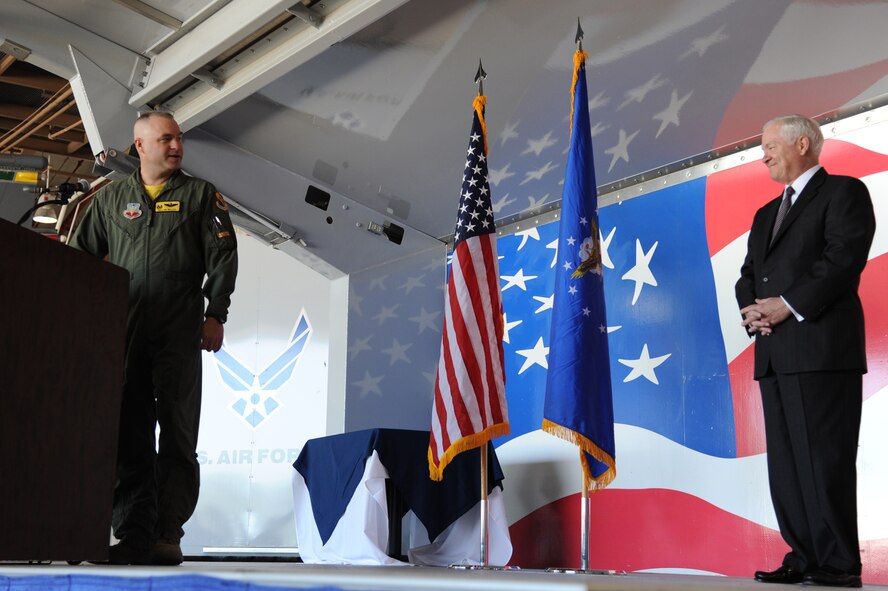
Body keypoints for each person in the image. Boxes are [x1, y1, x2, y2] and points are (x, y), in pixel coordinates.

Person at [70, 111, 238, 565]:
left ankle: (167, 534)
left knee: (178, 435)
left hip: (179, 332)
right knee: (130, 435)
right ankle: (133, 534)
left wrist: (215, 313)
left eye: (178, 139)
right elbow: (78, 262)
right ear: (140, 146)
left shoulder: (201, 196)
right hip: (125, 334)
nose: (176, 146)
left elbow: (223, 257)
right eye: (166, 139)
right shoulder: (110, 200)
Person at [735, 114, 875, 588]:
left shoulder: (844, 192)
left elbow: (842, 261)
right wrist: (754, 312)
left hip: (822, 352)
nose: (764, 157)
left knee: (824, 460)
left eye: (770, 147)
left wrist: (786, 306)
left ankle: (838, 563)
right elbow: (748, 275)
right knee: (787, 464)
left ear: (802, 144)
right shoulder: (764, 214)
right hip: (774, 353)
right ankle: (803, 555)